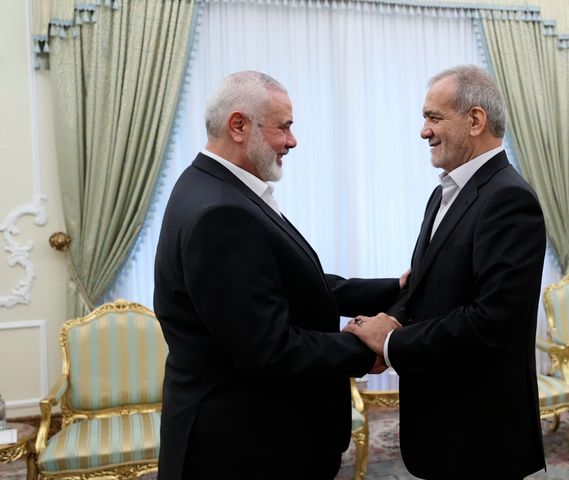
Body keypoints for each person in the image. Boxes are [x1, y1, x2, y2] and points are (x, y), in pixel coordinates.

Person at [153, 71, 403, 480]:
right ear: (239, 125)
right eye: (284, 127)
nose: (292, 140)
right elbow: (269, 348)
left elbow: (294, 285)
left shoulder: (210, 184)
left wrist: (394, 288)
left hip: (250, 432)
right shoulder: (222, 212)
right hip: (247, 445)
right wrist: (369, 347)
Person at [344, 65, 547, 478]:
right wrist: (391, 320)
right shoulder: (442, 194)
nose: (424, 131)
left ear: (475, 120)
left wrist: (392, 343)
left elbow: (492, 321)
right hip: (439, 418)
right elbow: (421, 284)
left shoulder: (509, 199)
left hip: (480, 430)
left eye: (434, 118)